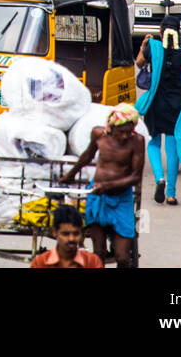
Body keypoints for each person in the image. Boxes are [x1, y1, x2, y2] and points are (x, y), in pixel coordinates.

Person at [60, 104, 145, 267]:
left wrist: (108, 185)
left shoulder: (137, 141)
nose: (126, 136)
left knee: (122, 257)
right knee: (98, 253)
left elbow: (135, 177)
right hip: (98, 199)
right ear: (111, 127)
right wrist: (70, 175)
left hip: (121, 199)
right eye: (122, 131)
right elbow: (87, 156)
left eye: (129, 131)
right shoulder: (98, 134)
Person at [135, 18, 181, 206]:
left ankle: (159, 179)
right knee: (171, 149)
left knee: (153, 144)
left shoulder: (153, 48)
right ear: (178, 31)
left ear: (161, 30)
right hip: (176, 107)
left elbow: (139, 63)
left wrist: (143, 46)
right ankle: (171, 194)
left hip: (156, 105)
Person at [30, 205, 105, 268]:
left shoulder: (92, 262)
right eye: (65, 234)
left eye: (76, 234)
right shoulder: (40, 263)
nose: (71, 239)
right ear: (55, 232)